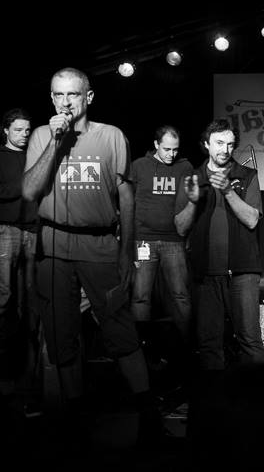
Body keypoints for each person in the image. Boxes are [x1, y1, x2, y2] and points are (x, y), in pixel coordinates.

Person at [22, 67, 162, 445]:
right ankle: (75, 419)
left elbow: (126, 197)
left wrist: (127, 251)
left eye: (72, 94)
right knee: (62, 334)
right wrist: (55, 142)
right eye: (58, 94)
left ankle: (148, 413)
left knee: (120, 328)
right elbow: (30, 191)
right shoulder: (41, 135)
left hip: (100, 245)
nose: (65, 102)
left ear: (89, 97)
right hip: (53, 246)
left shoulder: (111, 135)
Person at [174, 119, 264, 373]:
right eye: (219, 143)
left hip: (242, 272)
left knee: (250, 341)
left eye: (230, 144)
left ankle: (257, 395)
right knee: (209, 344)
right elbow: (180, 228)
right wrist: (193, 202)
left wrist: (228, 191)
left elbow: (252, 220)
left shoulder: (247, 176)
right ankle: (215, 395)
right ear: (206, 144)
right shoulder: (193, 178)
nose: (225, 150)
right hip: (205, 274)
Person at [129, 125, 193, 382]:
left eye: (175, 150)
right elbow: (128, 201)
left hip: (173, 240)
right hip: (143, 240)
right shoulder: (139, 166)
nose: (171, 154)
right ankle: (141, 351)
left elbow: (189, 205)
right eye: (166, 149)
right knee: (140, 297)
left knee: (180, 296)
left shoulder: (184, 167)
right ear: (156, 145)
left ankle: (184, 350)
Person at [0, 108, 38, 417]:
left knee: (30, 304)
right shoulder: (2, 157)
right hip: (6, 230)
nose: (24, 135)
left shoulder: (34, 154)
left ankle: (28, 381)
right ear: (5, 130)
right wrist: (26, 184)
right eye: (18, 130)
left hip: (33, 232)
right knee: (4, 299)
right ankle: (4, 375)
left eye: (27, 130)